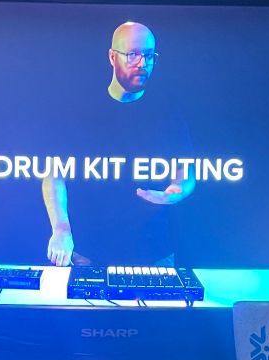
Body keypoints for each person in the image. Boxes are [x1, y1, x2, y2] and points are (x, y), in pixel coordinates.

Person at [42, 21, 195, 267]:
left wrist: (176, 191)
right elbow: (54, 176)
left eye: (148, 56)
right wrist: (61, 228)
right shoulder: (79, 110)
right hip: (88, 254)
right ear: (112, 57)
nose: (142, 64)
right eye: (133, 54)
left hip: (154, 254)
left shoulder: (168, 113)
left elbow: (186, 175)